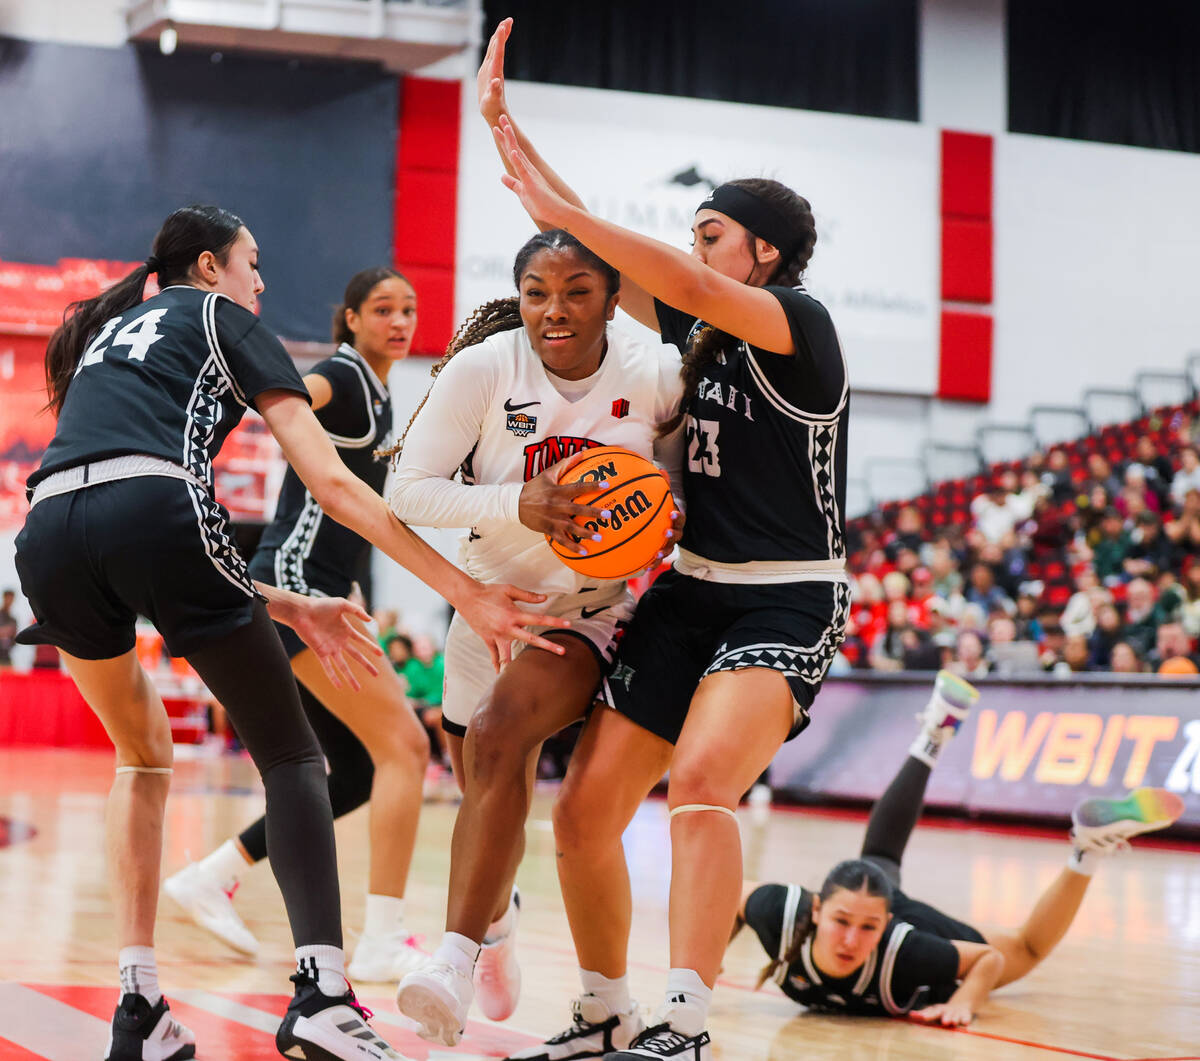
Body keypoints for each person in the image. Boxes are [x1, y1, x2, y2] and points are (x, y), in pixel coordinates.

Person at [13, 205, 570, 1061]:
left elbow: (123, 500)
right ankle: (323, 993)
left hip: (47, 529)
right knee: (294, 757)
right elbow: (332, 489)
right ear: (210, 267)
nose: (262, 282)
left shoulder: (111, 331)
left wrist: (289, 603)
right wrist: (469, 592)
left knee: (143, 751)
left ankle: (139, 1005)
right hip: (157, 513)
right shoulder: (227, 321)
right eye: (253, 263)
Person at [478, 20, 849, 1059]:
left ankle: (686, 1017)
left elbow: (658, 272)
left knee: (701, 783)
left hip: (787, 594)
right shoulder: (700, 332)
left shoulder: (799, 323)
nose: (694, 252)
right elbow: (592, 248)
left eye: (711, 235)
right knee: (585, 811)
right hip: (689, 589)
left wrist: (556, 202)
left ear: (762, 252)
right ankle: (606, 1011)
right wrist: (511, 138)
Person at [388, 226, 684, 1047]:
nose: (555, 310)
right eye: (537, 292)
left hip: (590, 607)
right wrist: (513, 502)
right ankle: (498, 922)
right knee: (481, 782)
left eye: (578, 290)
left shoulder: (655, 372)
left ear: (614, 298)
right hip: (488, 598)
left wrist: (673, 515)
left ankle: (449, 956)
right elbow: (405, 488)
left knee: (498, 734)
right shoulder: (486, 370)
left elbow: (687, 481)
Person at [163, 267, 432, 982]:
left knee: (357, 773)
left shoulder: (380, 391)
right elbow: (286, 396)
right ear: (350, 318)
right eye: (383, 309)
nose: (399, 321)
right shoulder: (341, 378)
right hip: (296, 593)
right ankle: (384, 935)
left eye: (408, 309)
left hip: (317, 589)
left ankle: (212, 874)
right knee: (406, 747)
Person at [734, 672, 1184, 1024]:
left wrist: (965, 1002)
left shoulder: (905, 952)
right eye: (840, 922)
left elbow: (988, 960)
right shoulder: (783, 912)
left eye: (866, 927)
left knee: (1025, 949)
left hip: (902, 936)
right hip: (869, 900)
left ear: (885, 924)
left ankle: (1088, 848)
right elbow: (730, 901)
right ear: (816, 911)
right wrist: (707, 961)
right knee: (878, 864)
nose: (851, 940)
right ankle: (935, 729)